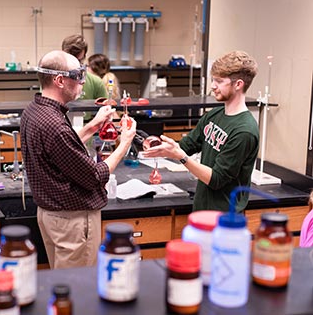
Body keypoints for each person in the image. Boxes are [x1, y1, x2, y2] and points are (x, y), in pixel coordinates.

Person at [20, 50, 137, 269]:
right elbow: (95, 176)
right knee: (78, 288)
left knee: (62, 280)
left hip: (50, 217)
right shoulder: (56, 126)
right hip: (71, 222)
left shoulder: (34, 111)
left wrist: (92, 126)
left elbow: (60, 150)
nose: (83, 82)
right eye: (78, 75)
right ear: (60, 80)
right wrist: (125, 143)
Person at [142, 50, 259, 212]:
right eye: (213, 80)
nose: (213, 86)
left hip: (224, 217)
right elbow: (187, 145)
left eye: (219, 81)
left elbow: (217, 179)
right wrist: (160, 147)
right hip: (202, 209)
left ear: (238, 84)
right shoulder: (214, 114)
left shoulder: (244, 131)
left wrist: (181, 157)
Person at [61, 34, 107, 100]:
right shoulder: (52, 82)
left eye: (78, 60)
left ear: (84, 56)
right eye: (71, 59)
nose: (74, 64)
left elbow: (106, 109)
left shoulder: (96, 83)